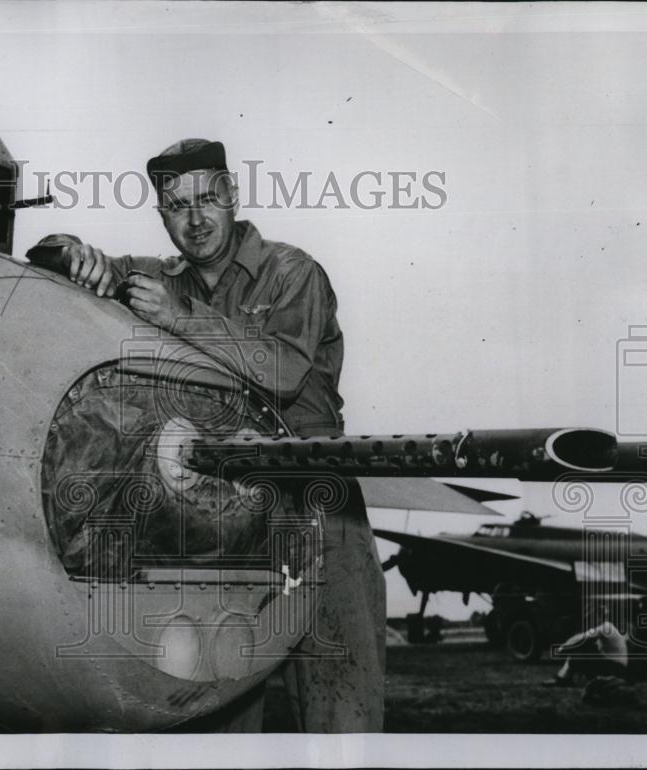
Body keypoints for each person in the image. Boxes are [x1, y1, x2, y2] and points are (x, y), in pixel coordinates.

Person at [28, 138, 385, 732]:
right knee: (217, 707)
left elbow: (284, 371)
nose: (194, 219)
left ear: (232, 196)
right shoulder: (158, 276)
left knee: (340, 706)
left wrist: (178, 317)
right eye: (175, 206)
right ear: (161, 214)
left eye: (206, 199)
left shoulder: (291, 272)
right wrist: (69, 250)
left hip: (315, 500)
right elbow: (55, 258)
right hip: (221, 514)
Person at [544, 606, 631, 687]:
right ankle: (565, 677)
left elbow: (581, 638)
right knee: (585, 650)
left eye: (593, 617)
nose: (591, 620)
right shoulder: (609, 628)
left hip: (615, 668)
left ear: (598, 617)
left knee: (577, 656)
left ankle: (562, 679)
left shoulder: (605, 627)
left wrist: (562, 648)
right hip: (618, 668)